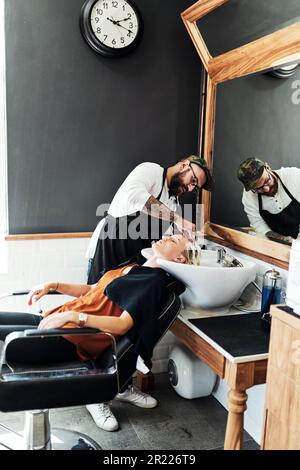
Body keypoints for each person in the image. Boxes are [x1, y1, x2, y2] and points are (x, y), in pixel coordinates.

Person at [0, 235, 189, 432]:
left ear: (179, 259)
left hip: (71, 339)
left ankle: (104, 394)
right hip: (53, 321)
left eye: (173, 241)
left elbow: (122, 324)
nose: (166, 237)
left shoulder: (152, 283)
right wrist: (53, 285)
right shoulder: (134, 266)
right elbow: (92, 289)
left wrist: (75, 317)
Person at [86, 156, 214, 284]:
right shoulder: (151, 171)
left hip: (132, 265)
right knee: (95, 299)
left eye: (195, 186)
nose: (190, 188)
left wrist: (185, 240)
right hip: (110, 250)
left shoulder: (173, 202)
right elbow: (133, 195)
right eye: (193, 180)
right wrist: (177, 218)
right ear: (184, 165)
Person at [237, 158, 300, 243]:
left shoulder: (294, 176)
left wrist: (297, 242)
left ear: (268, 167)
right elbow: (259, 225)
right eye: (259, 188)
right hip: (276, 243)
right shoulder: (249, 196)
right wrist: (281, 239)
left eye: (267, 181)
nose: (266, 189)